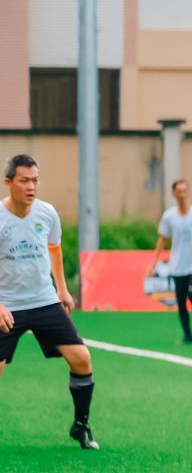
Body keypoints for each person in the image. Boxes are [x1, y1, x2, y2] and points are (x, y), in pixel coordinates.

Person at [0, 154, 97, 449]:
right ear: (8, 183)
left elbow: (54, 248)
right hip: (7, 305)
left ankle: (81, 426)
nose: (32, 187)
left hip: (44, 301)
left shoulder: (47, 213)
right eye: (24, 181)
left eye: (35, 180)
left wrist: (62, 289)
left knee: (82, 359)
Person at [147, 178, 192, 344]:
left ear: (188, 192)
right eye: (179, 191)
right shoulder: (169, 216)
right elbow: (163, 239)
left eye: (184, 191)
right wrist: (153, 263)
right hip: (177, 266)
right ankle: (188, 335)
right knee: (181, 301)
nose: (182, 194)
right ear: (174, 194)